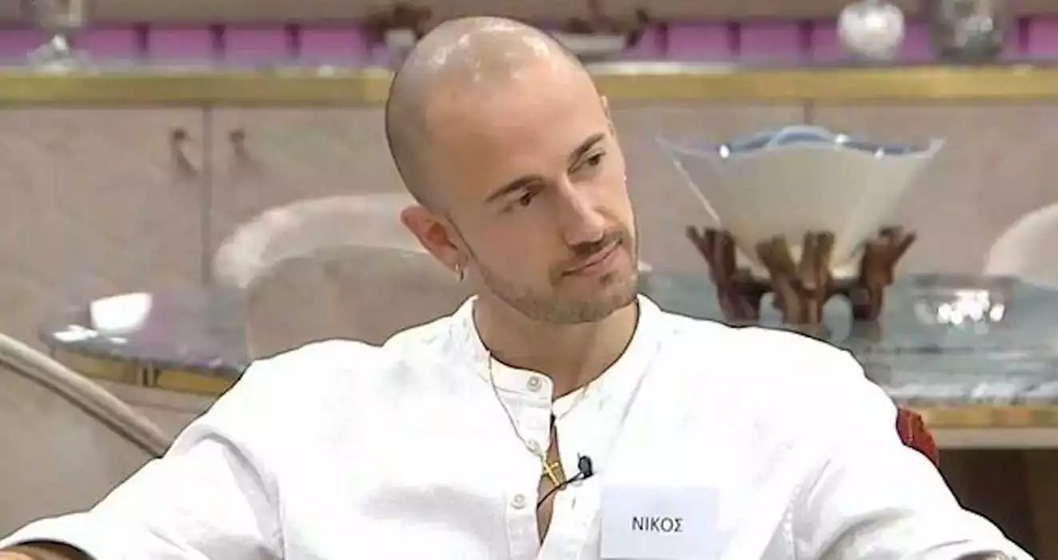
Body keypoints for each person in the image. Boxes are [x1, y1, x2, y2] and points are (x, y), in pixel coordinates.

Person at [0, 16, 1029, 560]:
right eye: (524, 197)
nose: (586, 222)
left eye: (590, 162)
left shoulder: (790, 397)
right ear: (439, 238)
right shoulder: (309, 415)